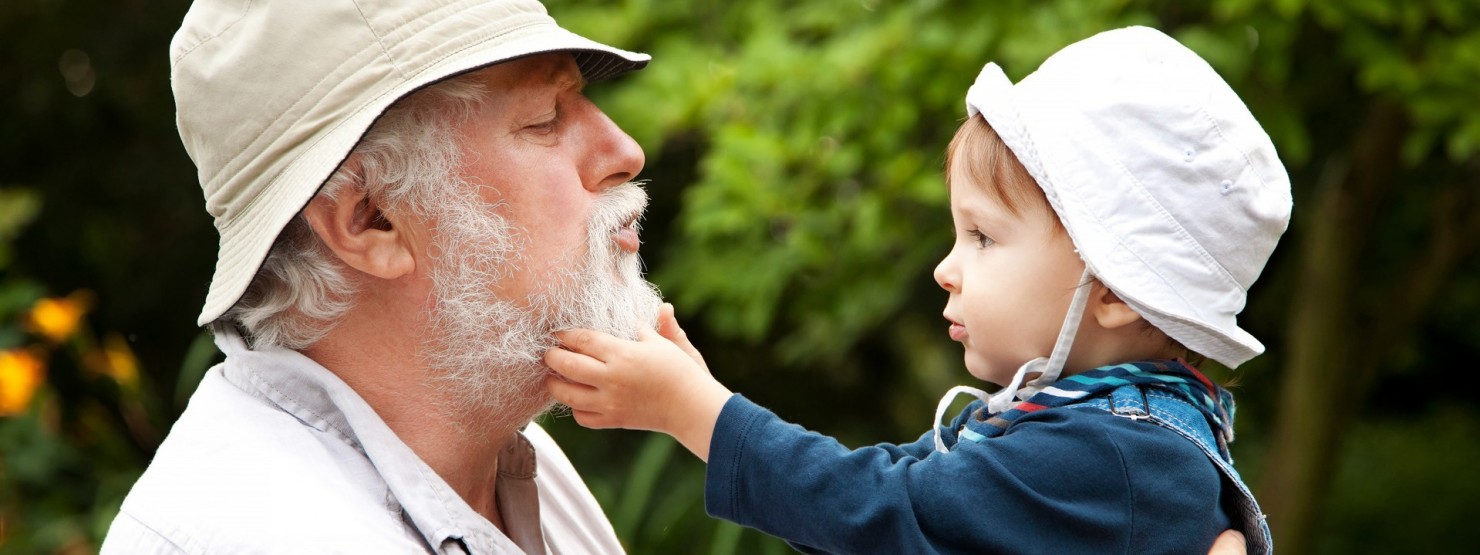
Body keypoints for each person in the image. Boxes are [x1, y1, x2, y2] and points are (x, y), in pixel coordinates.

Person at [545, 26, 1287, 554]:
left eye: (984, 236)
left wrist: (694, 411)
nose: (946, 266)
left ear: (1116, 291)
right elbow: (887, 496)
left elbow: (879, 511)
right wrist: (702, 393)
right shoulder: (1104, 436)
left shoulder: (1107, 460)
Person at [102, 0, 664, 552]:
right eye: (545, 119)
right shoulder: (262, 535)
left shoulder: (509, 464)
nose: (625, 151)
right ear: (374, 218)